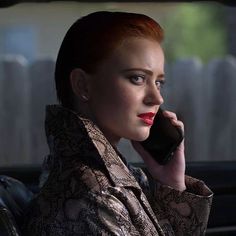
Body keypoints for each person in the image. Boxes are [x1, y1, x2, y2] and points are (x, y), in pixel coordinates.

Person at [22, 11, 213, 235]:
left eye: (158, 82)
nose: (157, 98)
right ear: (83, 85)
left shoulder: (108, 179)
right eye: (137, 78)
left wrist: (172, 185)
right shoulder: (96, 197)